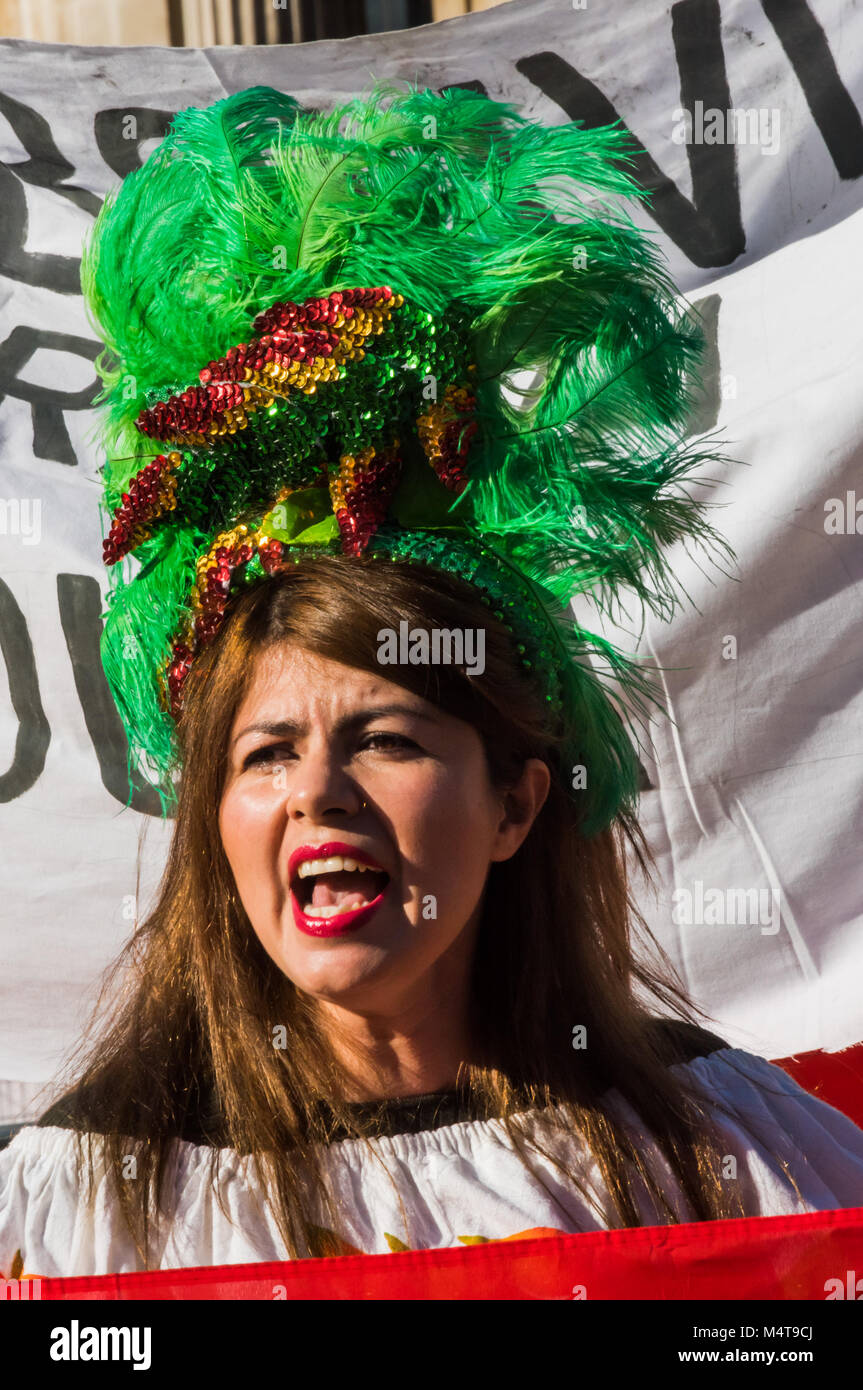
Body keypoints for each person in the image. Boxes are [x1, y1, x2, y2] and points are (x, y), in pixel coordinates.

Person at [2, 83, 862, 1279]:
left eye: (386, 739)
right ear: (210, 813)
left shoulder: (720, 1155)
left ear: (514, 801)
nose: (319, 794)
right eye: (263, 754)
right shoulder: (84, 1206)